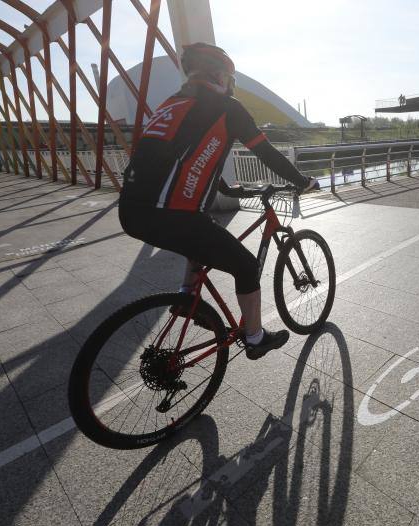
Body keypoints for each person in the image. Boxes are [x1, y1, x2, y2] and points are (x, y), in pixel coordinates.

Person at [118, 43, 318, 360]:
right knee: (246, 266)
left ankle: (187, 299)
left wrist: (227, 187)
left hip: (131, 210)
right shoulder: (227, 107)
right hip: (171, 213)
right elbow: (266, 153)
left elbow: (182, 156)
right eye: (229, 77)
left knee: (199, 238)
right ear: (222, 76)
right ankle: (255, 337)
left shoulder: (173, 103)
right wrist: (303, 181)